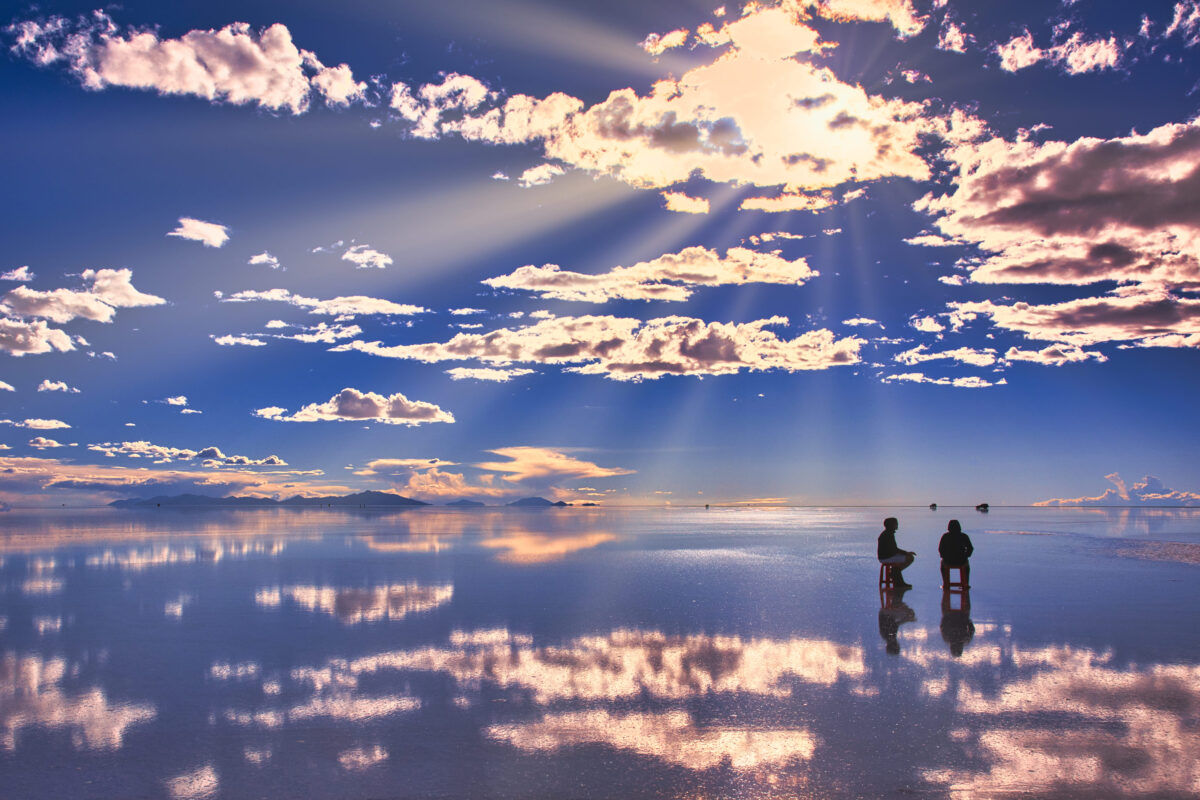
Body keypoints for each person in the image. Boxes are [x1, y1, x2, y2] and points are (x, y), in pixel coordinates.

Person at [877, 517, 915, 588]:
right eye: (896, 523)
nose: (897, 525)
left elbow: (893, 549)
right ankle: (894, 573)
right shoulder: (888, 534)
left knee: (905, 558)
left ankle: (895, 573)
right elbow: (893, 550)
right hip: (886, 557)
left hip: (886, 556)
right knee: (910, 558)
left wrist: (904, 553)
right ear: (892, 525)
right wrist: (906, 553)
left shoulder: (887, 533)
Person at [938, 519, 974, 588]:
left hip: (948, 560)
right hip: (961, 560)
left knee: (942, 564)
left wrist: (943, 556)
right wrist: (966, 556)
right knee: (967, 565)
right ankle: (966, 583)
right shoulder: (964, 536)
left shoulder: (945, 536)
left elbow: (940, 548)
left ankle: (945, 583)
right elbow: (970, 548)